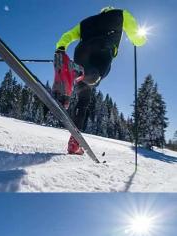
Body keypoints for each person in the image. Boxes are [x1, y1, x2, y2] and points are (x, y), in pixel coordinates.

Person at [54, 6, 146, 155]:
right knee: (94, 78)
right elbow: (138, 39)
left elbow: (67, 35)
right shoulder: (121, 15)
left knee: (83, 98)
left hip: (81, 53)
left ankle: (74, 142)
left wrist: (61, 48)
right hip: (102, 52)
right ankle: (82, 76)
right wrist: (141, 39)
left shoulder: (86, 22)